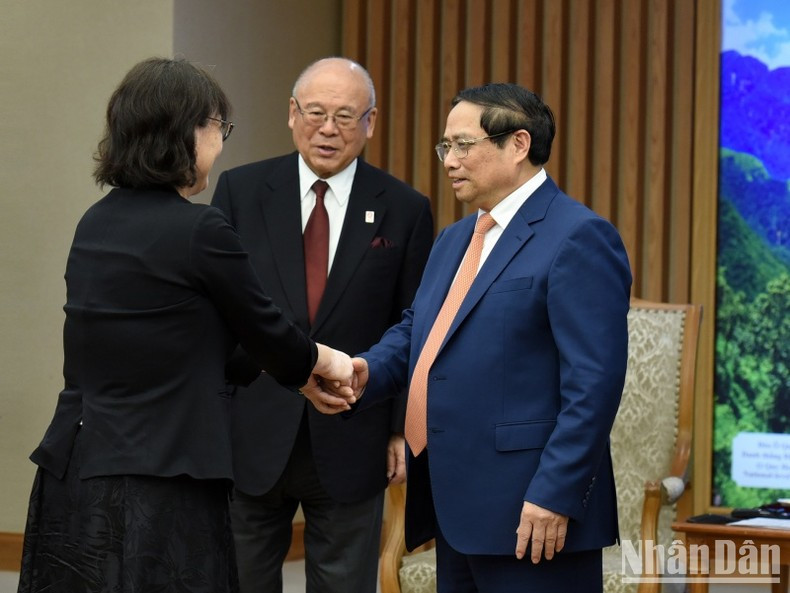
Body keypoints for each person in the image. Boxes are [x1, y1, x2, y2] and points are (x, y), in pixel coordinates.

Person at [16, 57, 355, 593]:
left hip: (79, 468)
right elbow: (266, 330)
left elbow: (197, 344)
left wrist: (290, 372)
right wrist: (324, 362)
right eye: (218, 128)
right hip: (162, 477)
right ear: (186, 133)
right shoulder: (200, 229)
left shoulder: (95, 221)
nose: (221, 144)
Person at [346, 83, 632, 592]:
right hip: (456, 504)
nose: (449, 160)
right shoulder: (456, 238)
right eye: (445, 147)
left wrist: (556, 494)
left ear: (518, 145)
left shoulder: (578, 236)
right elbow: (421, 330)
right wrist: (365, 370)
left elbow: (594, 384)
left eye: (462, 145)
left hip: (534, 513)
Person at [211, 57, 433, 593]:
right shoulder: (240, 192)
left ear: (370, 123)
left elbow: (415, 324)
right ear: (292, 114)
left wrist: (402, 427)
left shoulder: (405, 209)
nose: (328, 128)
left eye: (345, 115)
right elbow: (218, 315)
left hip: (353, 431)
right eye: (315, 112)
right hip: (251, 431)